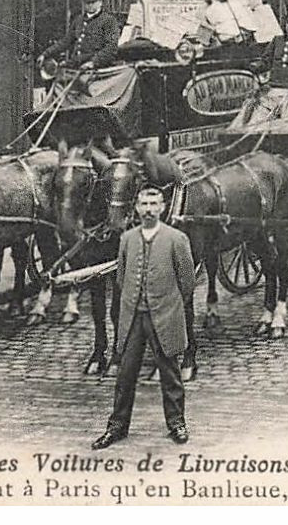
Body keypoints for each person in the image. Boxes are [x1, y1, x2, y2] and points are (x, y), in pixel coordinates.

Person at [92, 185, 196, 449]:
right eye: (144, 204)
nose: (149, 210)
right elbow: (121, 277)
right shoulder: (127, 239)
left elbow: (187, 282)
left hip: (164, 316)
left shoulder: (176, 239)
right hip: (133, 318)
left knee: (169, 373)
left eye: (154, 204)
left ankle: (177, 423)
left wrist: (169, 306)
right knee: (125, 375)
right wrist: (133, 303)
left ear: (162, 207)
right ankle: (116, 426)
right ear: (136, 208)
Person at [39, 0, 120, 71]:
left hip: (96, 68)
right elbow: (65, 41)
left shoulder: (109, 21)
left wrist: (93, 62)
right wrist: (46, 54)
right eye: (87, 3)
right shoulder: (79, 20)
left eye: (93, 2)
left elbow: (111, 47)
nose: (90, 5)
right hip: (76, 65)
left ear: (100, 2)